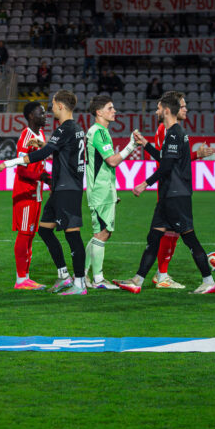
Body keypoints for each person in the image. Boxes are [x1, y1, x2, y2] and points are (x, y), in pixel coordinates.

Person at [118, 92, 215, 295]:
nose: (155, 111)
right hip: (168, 195)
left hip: (176, 195)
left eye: (158, 108)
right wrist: (145, 144)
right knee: (154, 238)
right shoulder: (172, 132)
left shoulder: (174, 133)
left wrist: (144, 184)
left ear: (165, 110)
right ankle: (137, 280)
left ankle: (208, 281)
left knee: (189, 238)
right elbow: (164, 158)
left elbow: (166, 166)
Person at [6, 90, 88, 295]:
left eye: (52, 104)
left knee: (72, 235)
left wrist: (12, 162)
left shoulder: (64, 128)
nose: (50, 110)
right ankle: (63, 275)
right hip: (60, 189)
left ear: (60, 105)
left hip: (67, 189)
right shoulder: (76, 129)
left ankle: (80, 283)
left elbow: (44, 153)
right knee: (44, 230)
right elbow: (61, 151)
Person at [147, 101, 215, 289]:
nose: (186, 109)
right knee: (174, 232)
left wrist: (196, 155)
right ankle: (162, 274)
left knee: (172, 233)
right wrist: (146, 182)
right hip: (171, 187)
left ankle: (159, 274)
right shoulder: (166, 130)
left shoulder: (174, 130)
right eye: (183, 105)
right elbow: (164, 160)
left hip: (174, 187)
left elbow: (174, 158)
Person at [82, 95, 142, 289]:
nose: (114, 111)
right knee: (102, 233)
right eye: (110, 108)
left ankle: (82, 274)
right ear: (99, 112)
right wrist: (132, 145)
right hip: (100, 191)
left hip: (103, 190)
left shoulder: (99, 131)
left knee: (102, 233)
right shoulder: (98, 132)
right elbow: (112, 161)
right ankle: (98, 279)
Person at [6, 102, 48, 290]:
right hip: (25, 192)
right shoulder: (26, 136)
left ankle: (26, 278)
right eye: (41, 113)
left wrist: (45, 178)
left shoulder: (40, 135)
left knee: (30, 235)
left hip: (36, 193)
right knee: (24, 234)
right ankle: (20, 279)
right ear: (31, 116)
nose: (45, 116)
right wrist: (43, 177)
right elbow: (21, 170)